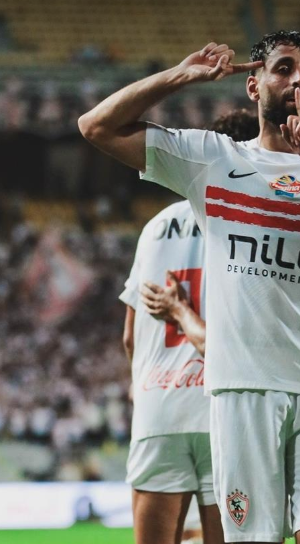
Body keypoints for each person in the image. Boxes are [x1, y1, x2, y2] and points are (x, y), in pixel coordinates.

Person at [80, 30, 300, 544]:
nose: (298, 80)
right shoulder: (213, 159)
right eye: (284, 68)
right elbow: (96, 126)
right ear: (254, 85)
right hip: (243, 393)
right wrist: (179, 76)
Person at [120, 201, 221, 544]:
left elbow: (129, 337)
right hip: (223, 408)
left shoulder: (155, 226)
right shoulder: (241, 211)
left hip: (158, 409)